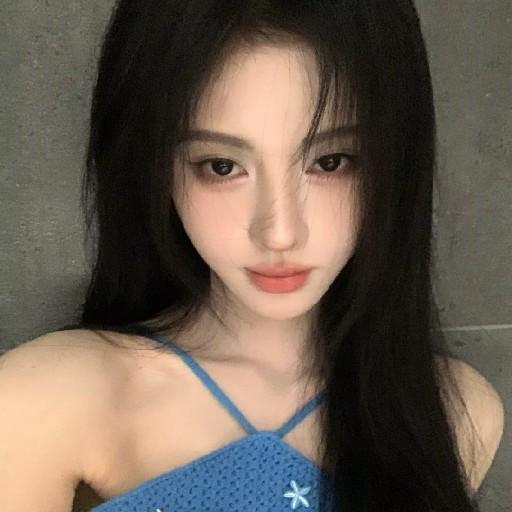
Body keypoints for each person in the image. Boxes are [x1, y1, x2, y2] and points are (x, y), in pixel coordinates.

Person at [0, 1, 505, 511]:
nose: (280, 233)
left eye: (331, 162)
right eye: (221, 166)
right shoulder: (47, 399)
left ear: (396, 162)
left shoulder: (456, 412)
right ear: (153, 168)